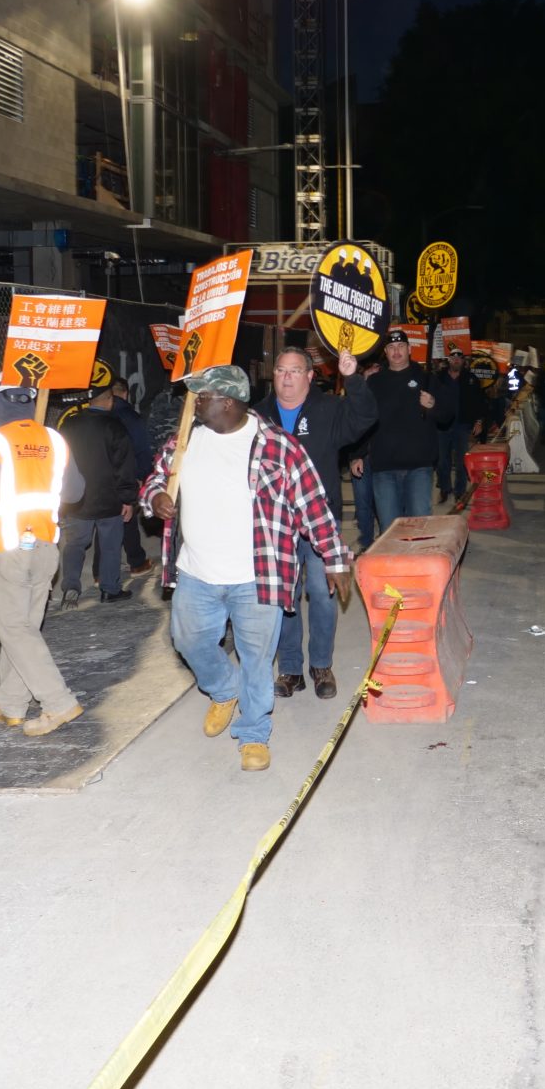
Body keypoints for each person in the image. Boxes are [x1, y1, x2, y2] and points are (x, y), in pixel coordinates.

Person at [141, 365, 356, 772]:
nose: (193, 403)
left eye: (200, 397)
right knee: (188, 642)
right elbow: (154, 480)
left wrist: (335, 557)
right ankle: (224, 689)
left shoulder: (279, 446)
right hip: (196, 573)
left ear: (228, 401)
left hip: (257, 576)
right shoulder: (183, 441)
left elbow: (314, 506)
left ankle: (254, 733)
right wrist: (155, 498)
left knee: (257, 658)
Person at [0, 378, 87, 735]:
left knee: (13, 628)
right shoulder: (55, 439)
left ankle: (58, 702)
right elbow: (76, 491)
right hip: (46, 547)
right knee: (23, 628)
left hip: (8, 547)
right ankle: (12, 703)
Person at [256, 344, 377, 698]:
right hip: (276, 524)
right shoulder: (258, 416)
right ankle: (290, 670)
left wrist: (352, 378)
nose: (287, 377)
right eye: (280, 370)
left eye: (295, 370)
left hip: (320, 522)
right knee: (286, 596)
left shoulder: (329, 409)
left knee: (323, 596)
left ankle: (321, 665)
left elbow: (366, 416)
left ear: (310, 376)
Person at [56, 374, 140, 609]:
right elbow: (125, 465)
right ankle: (109, 589)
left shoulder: (69, 425)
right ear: (110, 400)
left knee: (75, 543)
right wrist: (128, 499)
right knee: (111, 544)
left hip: (77, 499)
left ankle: (71, 587)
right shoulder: (115, 426)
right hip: (109, 499)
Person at [363, 328, 440, 530]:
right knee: (389, 530)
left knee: (419, 526)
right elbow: (363, 419)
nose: (396, 351)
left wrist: (433, 406)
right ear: (385, 352)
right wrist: (357, 453)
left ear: (409, 349)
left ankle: (420, 562)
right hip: (384, 467)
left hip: (419, 466)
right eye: (391, 347)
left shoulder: (427, 378)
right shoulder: (374, 381)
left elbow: (447, 416)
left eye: (401, 346)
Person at [108, 377, 155, 575]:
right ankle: (136, 561)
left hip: (103, 476)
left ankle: (99, 572)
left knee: (105, 519)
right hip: (128, 476)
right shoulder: (132, 418)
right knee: (128, 519)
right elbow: (143, 450)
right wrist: (144, 476)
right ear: (126, 393)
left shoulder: (101, 415)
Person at [433, 346, 488, 503]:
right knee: (442, 461)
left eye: (459, 358)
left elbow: (479, 402)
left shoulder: (471, 379)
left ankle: (460, 490)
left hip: (462, 426)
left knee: (462, 461)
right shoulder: (439, 378)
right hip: (442, 426)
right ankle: (444, 488)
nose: (456, 360)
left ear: (463, 361)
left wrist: (479, 421)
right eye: (453, 357)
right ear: (448, 360)